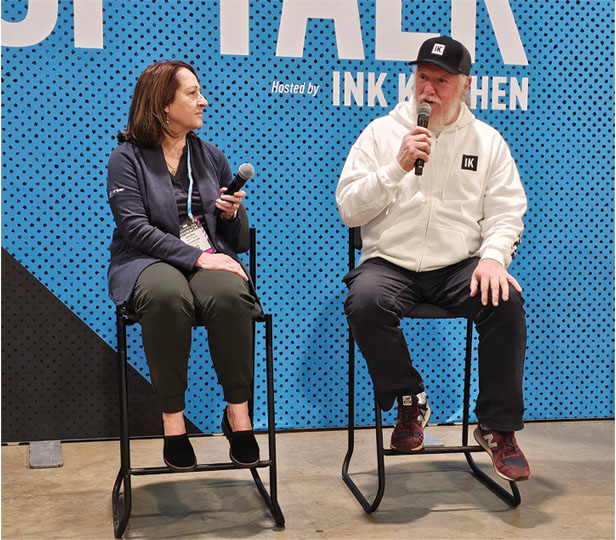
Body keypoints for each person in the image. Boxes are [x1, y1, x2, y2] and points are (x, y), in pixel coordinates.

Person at [336, 36, 530, 482]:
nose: (429, 89)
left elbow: (506, 211)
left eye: (441, 81)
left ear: (465, 86)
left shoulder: (488, 142)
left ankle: (497, 428)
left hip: (459, 264)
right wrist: (396, 167)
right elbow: (349, 207)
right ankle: (410, 400)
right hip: (389, 261)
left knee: (505, 302)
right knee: (364, 303)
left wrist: (494, 258)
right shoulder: (382, 133)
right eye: (423, 76)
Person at [107, 60, 262, 471]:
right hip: (146, 261)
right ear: (163, 104)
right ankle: (172, 422)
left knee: (231, 294)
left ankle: (238, 414)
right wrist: (198, 256)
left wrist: (230, 216)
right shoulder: (126, 158)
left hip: (206, 259)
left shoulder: (211, 157)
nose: (203, 100)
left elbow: (238, 243)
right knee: (165, 294)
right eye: (192, 93)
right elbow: (135, 229)